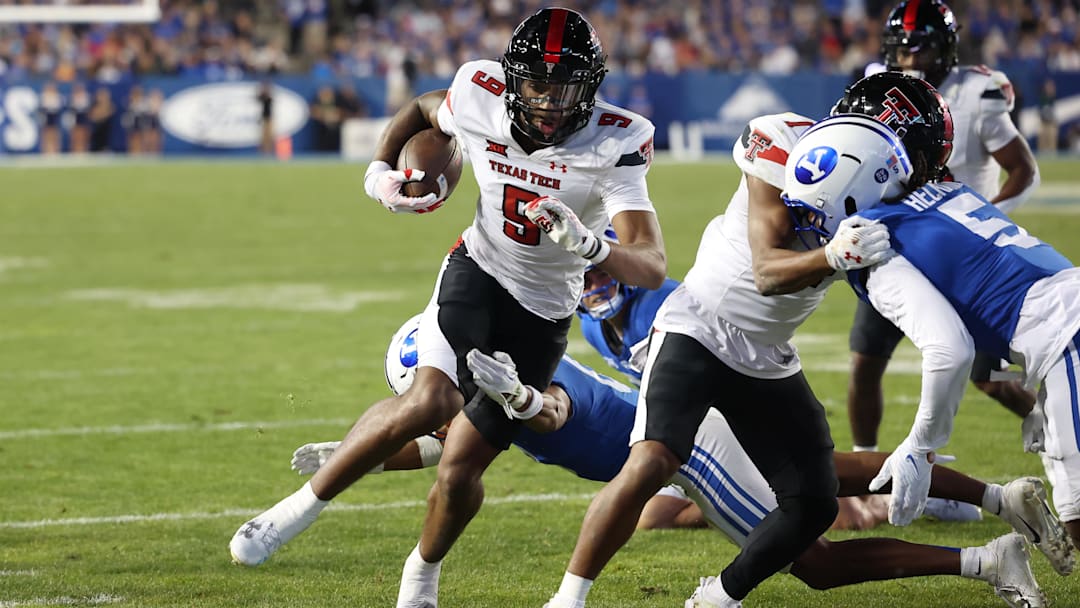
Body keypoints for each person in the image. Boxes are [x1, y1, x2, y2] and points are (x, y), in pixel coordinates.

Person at [229, 10, 667, 608]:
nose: (549, 101)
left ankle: (420, 578)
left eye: (564, 86)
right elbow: (419, 109)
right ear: (514, 79)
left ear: (590, 88)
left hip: (544, 311)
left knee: (461, 465)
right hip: (479, 269)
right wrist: (380, 172)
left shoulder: (616, 138)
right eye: (537, 83)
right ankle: (292, 512)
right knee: (433, 399)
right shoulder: (478, 93)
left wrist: (592, 245)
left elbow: (651, 263)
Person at [292, 317, 1061, 608]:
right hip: (686, 424)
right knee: (825, 477)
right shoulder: (485, 387)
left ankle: (989, 551)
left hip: (682, 444)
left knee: (813, 557)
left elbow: (550, 410)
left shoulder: (519, 378)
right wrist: (357, 457)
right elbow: (437, 446)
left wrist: (521, 403)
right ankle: (994, 518)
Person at [542, 76, 948, 608]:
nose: (918, 174)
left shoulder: (898, 194)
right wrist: (833, 256)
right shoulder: (783, 142)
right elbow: (767, 271)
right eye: (915, 155)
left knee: (813, 504)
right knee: (653, 460)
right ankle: (567, 601)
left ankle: (721, 597)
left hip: (768, 354)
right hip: (701, 325)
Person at [781, 100, 1079, 565]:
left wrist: (920, 447)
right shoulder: (946, 191)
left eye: (812, 210)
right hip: (1065, 320)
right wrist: (1042, 393)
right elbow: (995, 299)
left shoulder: (870, 238)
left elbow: (950, 350)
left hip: (1068, 339)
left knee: (1078, 516)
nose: (809, 227)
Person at [846, 0, 1042, 455]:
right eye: (902, 49)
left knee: (992, 378)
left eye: (922, 48)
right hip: (897, 248)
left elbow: (1022, 170)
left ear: (947, 49)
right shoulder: (879, 89)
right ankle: (864, 462)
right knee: (865, 360)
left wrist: (984, 220)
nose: (911, 60)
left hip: (961, 256)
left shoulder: (977, 91)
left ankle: (1053, 423)